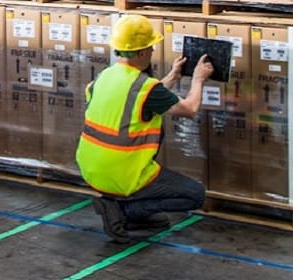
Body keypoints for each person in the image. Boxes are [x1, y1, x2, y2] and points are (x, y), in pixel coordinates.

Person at [75, 14, 213, 244]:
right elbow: (189, 109)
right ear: (140, 53)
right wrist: (198, 79)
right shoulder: (144, 86)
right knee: (196, 195)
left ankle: (127, 207)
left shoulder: (105, 76)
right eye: (150, 48)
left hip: (91, 168)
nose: (152, 52)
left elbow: (142, 98)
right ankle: (124, 211)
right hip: (124, 173)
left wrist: (172, 76)